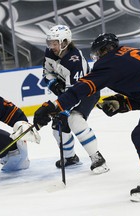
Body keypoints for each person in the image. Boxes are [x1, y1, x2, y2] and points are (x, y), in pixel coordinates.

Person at [33, 33, 140, 202]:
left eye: (97, 54)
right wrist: (124, 104)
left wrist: (53, 106)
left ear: (104, 50)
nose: (96, 59)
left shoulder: (109, 62)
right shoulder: (130, 53)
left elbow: (80, 89)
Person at [42, 25, 109, 174]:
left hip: (87, 92)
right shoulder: (50, 53)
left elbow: (76, 93)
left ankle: (97, 158)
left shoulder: (75, 60)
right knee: (57, 126)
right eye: (50, 43)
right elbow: (46, 72)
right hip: (68, 92)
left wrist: (62, 108)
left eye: (55, 43)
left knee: (74, 120)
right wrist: (54, 84)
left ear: (65, 42)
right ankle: (70, 157)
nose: (51, 46)